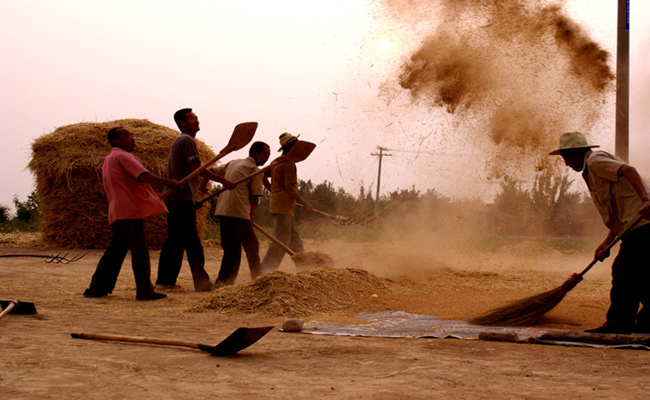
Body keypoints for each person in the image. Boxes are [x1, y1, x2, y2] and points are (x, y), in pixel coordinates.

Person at [550, 131, 650, 334]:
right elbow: (616, 209)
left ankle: (618, 324)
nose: (567, 164)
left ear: (576, 154)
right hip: (636, 227)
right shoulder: (591, 170)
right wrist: (607, 241)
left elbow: (628, 170)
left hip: (644, 225)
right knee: (642, 277)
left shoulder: (595, 161)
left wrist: (646, 199)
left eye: (566, 158)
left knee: (624, 272)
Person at [84, 127, 180, 301]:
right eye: (128, 136)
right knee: (139, 250)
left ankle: (97, 286)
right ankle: (145, 290)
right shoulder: (123, 156)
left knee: (116, 249)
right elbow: (143, 176)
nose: (133, 139)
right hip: (128, 210)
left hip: (116, 210)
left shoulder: (108, 159)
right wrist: (169, 182)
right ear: (116, 141)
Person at [156, 108, 234, 292]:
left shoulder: (182, 141)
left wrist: (199, 187)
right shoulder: (186, 140)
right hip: (181, 198)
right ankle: (202, 282)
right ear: (182, 123)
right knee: (192, 241)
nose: (196, 120)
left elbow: (193, 171)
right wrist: (223, 181)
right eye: (192, 118)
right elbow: (196, 168)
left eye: (196, 117)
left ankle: (165, 280)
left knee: (175, 241)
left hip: (178, 198)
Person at [212, 141, 271, 286]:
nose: (267, 159)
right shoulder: (255, 170)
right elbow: (255, 198)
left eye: (269, 156)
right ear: (255, 153)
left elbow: (211, 171)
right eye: (265, 155)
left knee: (231, 248)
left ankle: (223, 282)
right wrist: (250, 215)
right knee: (252, 246)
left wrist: (202, 187)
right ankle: (258, 280)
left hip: (223, 211)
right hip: (239, 213)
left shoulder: (233, 163)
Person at [260, 133, 313, 274]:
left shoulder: (277, 162)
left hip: (281, 205)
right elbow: (290, 187)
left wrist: (273, 191)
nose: (298, 146)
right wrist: (304, 202)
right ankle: (265, 271)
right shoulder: (288, 164)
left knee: (294, 239)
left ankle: (304, 268)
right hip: (283, 206)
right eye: (296, 144)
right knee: (280, 242)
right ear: (289, 147)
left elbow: (262, 175)